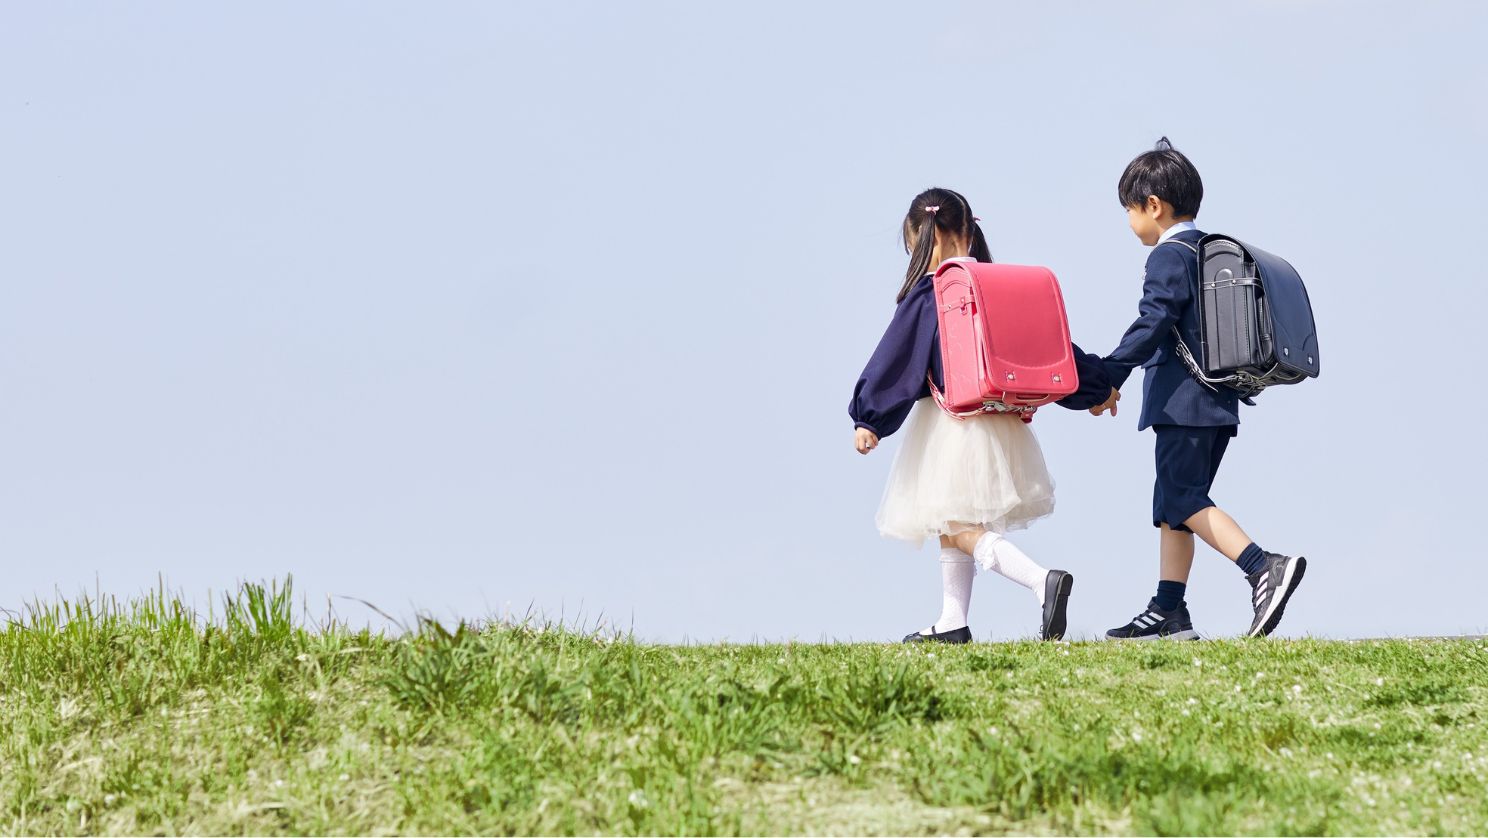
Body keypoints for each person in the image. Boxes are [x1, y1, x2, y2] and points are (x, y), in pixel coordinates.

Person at [850, 187, 1114, 644]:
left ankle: (1040, 580)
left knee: (956, 522)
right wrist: (1096, 386)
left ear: (918, 238)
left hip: (953, 425)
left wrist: (869, 417)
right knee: (951, 522)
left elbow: (897, 359)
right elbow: (1050, 348)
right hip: (1002, 423)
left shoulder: (931, 293)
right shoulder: (997, 288)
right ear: (970, 231)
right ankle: (952, 620)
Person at [1091, 138, 1307, 640]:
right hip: (1218, 401)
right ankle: (1169, 610)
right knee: (1175, 505)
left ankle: (1263, 567)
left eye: (1128, 209)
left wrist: (1110, 374)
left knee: (1184, 499)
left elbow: (1153, 322)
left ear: (1153, 206)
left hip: (1182, 401)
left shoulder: (1169, 257)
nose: (1128, 222)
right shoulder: (1206, 250)